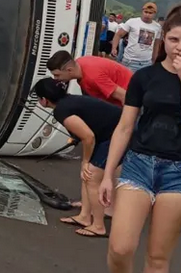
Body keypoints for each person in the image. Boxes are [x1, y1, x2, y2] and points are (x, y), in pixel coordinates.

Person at [99, 5, 181, 273]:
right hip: (138, 165)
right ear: (163, 38)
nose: (180, 47)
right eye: (174, 39)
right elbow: (124, 127)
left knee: (157, 258)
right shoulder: (145, 77)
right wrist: (108, 174)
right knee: (120, 247)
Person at [33, 78, 121, 238]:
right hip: (109, 132)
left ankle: (98, 226)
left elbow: (88, 137)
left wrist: (85, 162)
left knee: (92, 176)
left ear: (44, 100)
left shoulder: (61, 110)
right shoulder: (69, 100)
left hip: (117, 134)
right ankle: (85, 216)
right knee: (87, 176)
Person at [47, 51, 133, 107]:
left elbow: (124, 96)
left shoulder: (93, 77)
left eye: (57, 75)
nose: (56, 79)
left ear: (69, 70)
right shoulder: (80, 64)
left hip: (134, 100)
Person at [112, 2, 161, 72]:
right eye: (146, 12)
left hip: (146, 63)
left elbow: (156, 45)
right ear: (142, 11)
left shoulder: (157, 27)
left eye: (150, 13)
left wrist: (154, 60)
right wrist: (114, 48)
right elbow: (118, 34)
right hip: (130, 61)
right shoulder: (132, 22)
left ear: (154, 14)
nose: (147, 15)